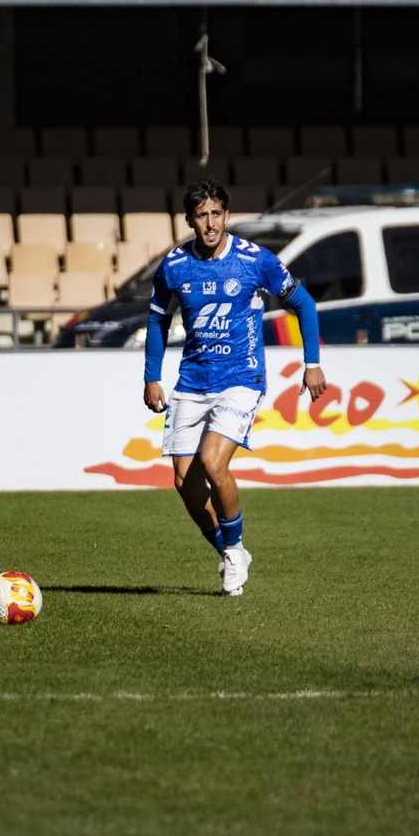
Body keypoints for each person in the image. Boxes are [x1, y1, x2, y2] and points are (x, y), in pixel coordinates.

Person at [142, 179, 327, 596]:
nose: (210, 223)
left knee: (212, 462)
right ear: (190, 220)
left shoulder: (254, 260)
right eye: (201, 216)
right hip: (192, 380)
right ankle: (231, 553)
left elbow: (304, 303)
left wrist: (312, 364)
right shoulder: (174, 265)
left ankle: (235, 547)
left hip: (242, 377)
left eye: (216, 214)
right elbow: (157, 318)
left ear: (226, 215)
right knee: (184, 483)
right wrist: (152, 376)